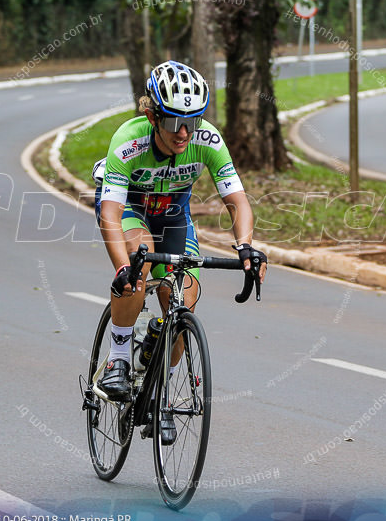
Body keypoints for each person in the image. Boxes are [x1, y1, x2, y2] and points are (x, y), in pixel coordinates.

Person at [92, 60, 267, 443]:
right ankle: (118, 360)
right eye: (173, 123)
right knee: (138, 264)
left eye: (194, 121)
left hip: (173, 216)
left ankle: (162, 399)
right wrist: (122, 268)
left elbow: (237, 199)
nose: (184, 133)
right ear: (153, 116)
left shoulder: (207, 141)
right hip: (131, 211)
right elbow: (110, 212)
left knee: (182, 302)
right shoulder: (130, 140)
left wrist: (246, 247)